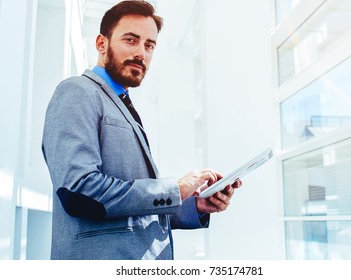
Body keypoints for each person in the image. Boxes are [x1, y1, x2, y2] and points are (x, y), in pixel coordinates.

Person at [42, 0, 241, 260]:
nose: (141, 53)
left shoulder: (123, 104)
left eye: (149, 45)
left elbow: (133, 212)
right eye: (130, 40)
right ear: (101, 43)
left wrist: (195, 205)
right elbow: (79, 191)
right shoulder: (77, 92)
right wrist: (173, 189)